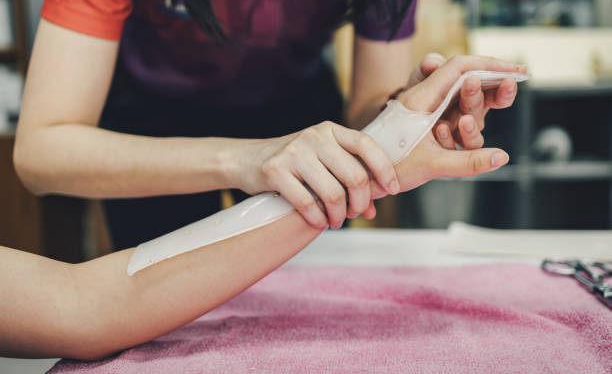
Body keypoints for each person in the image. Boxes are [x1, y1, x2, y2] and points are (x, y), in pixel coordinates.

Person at [3, 56, 520, 360]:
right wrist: (246, 158)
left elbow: (86, 304)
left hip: (303, 123)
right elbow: (85, 307)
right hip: (146, 114)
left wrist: (386, 138)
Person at [13, 0, 521, 251]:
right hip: (149, 124)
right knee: (163, 316)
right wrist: (244, 159)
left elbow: (371, 109)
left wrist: (407, 120)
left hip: (298, 116)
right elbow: (42, 152)